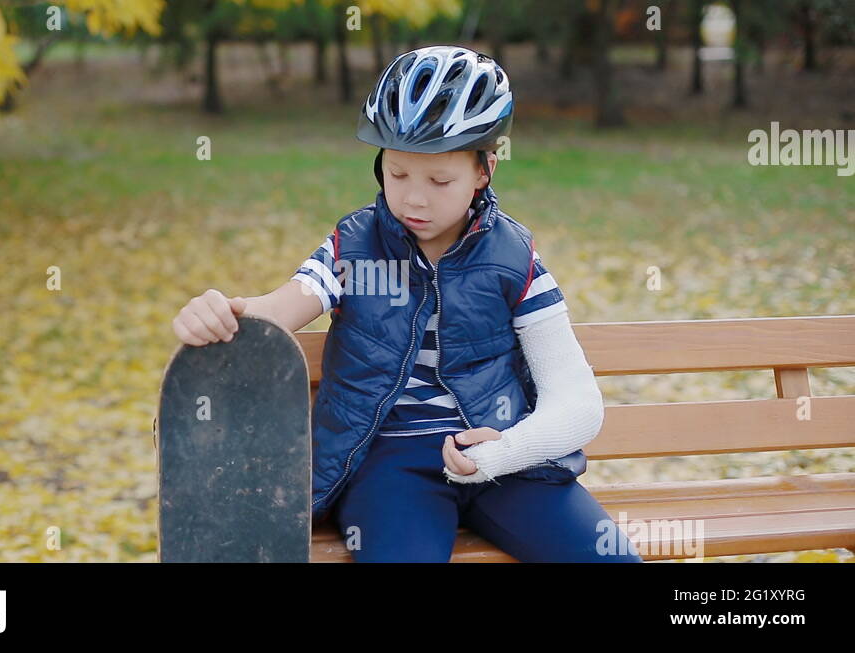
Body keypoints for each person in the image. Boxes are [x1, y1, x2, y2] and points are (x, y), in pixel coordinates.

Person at [172, 45, 643, 563]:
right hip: (389, 468)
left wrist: (501, 453)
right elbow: (278, 310)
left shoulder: (516, 257)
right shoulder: (352, 247)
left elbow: (578, 403)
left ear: (485, 171)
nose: (414, 199)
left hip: (503, 459)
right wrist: (220, 313)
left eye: (440, 181)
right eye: (397, 174)